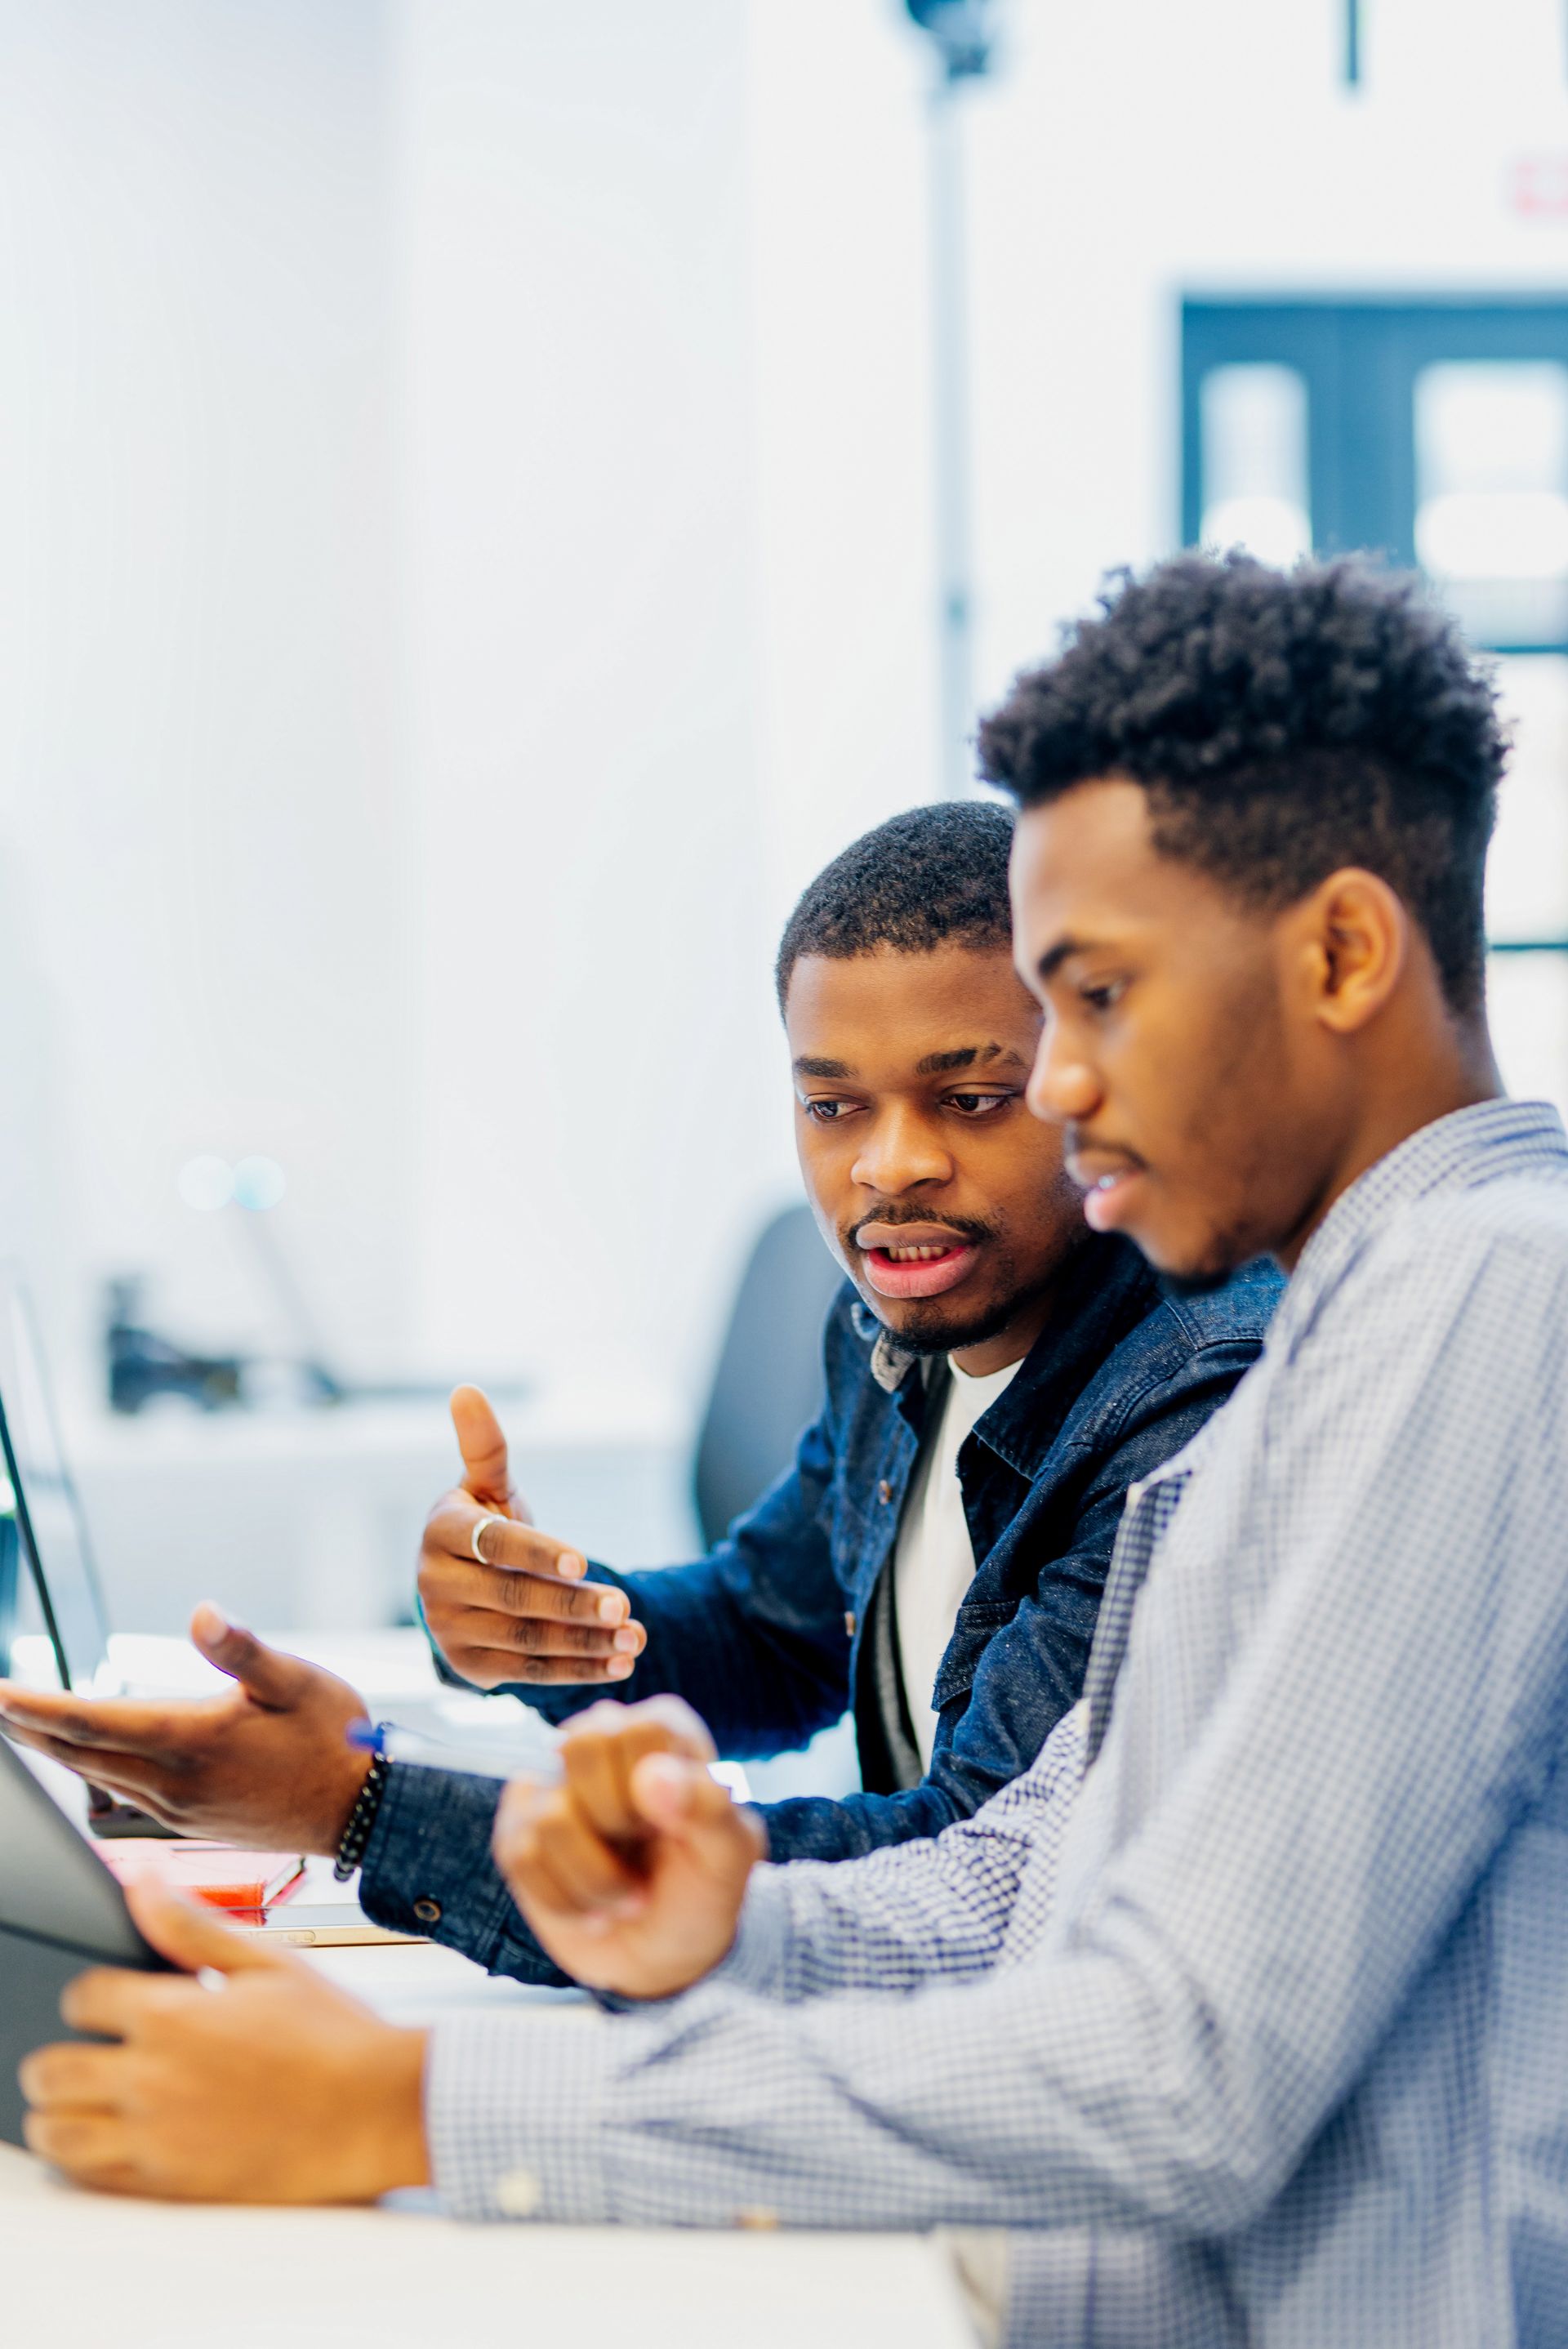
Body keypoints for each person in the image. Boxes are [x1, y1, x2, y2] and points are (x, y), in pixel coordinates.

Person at [9, 550, 1559, 2348]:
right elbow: (1016, 1888)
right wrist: (706, 1922)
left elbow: (1180, 2069)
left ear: (1345, 952)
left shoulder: (1481, 1305)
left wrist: (407, 2109)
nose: (1056, 1088)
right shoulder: (1363, 1325)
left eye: (1099, 999)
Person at [412, 802, 1272, 1887]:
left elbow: (973, 1863)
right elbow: (773, 1636)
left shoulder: (1191, 1402)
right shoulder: (892, 1326)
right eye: (832, 1105)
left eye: (969, 1098)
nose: (889, 1165)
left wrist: (371, 1815)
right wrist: (528, 1626)